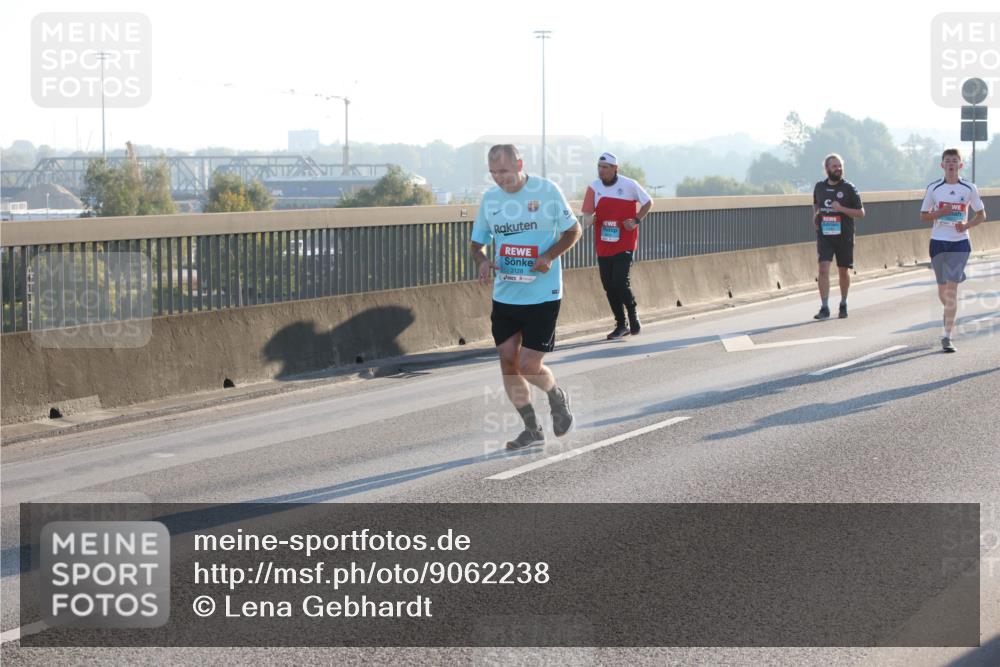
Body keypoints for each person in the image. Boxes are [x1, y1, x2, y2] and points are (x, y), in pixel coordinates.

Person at [470, 144, 582, 449]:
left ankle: (557, 397)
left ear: (519, 164)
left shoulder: (547, 191)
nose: (498, 179)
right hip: (506, 295)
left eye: (504, 171)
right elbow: (477, 242)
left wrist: (548, 255)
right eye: (493, 173)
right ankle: (532, 428)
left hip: (542, 295)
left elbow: (574, 231)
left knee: (529, 365)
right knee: (508, 363)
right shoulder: (490, 200)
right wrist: (481, 261)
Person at [919, 148, 987, 353]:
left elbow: (982, 215)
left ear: (960, 165)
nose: (951, 165)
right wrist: (941, 212)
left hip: (960, 243)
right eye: (947, 161)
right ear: (942, 165)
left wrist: (966, 225)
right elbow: (923, 215)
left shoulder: (969, 188)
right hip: (939, 242)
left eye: (955, 161)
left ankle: (947, 337)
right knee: (943, 291)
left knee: (951, 291)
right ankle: (949, 309)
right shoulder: (934, 188)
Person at [581, 152, 653, 339]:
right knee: (609, 285)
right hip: (604, 245)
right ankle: (621, 324)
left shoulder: (629, 185)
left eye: (605, 167)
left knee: (620, 281)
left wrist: (636, 220)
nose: (601, 171)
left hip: (625, 242)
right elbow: (586, 216)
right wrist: (590, 219)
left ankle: (632, 313)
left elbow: (648, 202)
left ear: (615, 169)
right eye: (599, 167)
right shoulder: (593, 187)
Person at [812, 153, 865, 319]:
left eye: (840, 166)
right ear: (827, 169)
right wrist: (816, 215)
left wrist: (841, 209)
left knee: (843, 271)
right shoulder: (819, 187)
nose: (838, 169)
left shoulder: (849, 188)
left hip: (844, 235)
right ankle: (824, 307)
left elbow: (861, 212)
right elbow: (816, 203)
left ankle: (843, 303)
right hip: (825, 235)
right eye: (834, 166)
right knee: (823, 269)